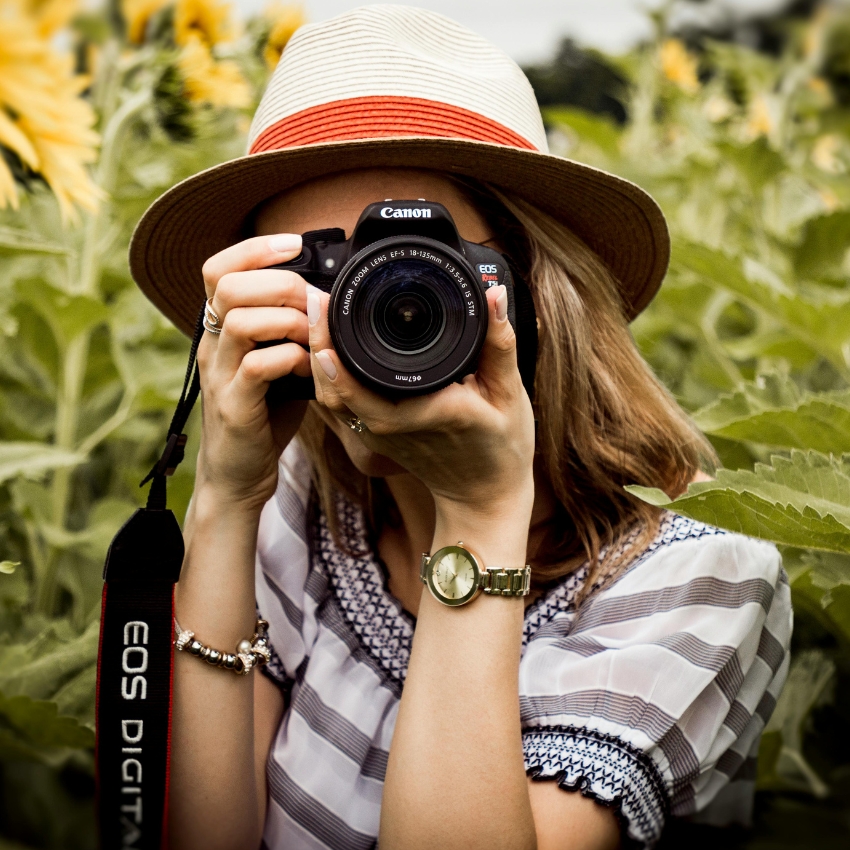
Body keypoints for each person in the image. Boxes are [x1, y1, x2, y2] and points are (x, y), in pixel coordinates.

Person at [128, 6, 792, 850]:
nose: (370, 313)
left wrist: (480, 514)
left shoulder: (705, 576)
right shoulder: (302, 502)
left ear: (537, 291)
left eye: (421, 270)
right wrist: (225, 496)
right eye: (326, 270)